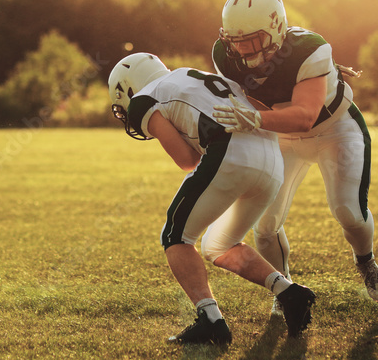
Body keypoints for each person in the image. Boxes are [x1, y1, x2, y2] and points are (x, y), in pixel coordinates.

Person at [108, 52, 316, 345]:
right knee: (218, 245)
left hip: (230, 152)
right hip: (272, 160)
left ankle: (211, 321)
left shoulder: (144, 98)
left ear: (129, 88)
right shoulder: (194, 75)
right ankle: (289, 292)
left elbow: (187, 160)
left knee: (176, 236)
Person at [210, 0, 378, 305]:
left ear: (276, 29)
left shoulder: (309, 48)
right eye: (235, 42)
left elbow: (305, 116)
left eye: (251, 40)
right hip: (281, 137)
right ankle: (286, 291)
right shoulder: (225, 57)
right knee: (264, 225)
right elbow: (249, 104)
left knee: (349, 212)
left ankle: (366, 261)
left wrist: (254, 120)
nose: (242, 50)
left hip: (335, 129)